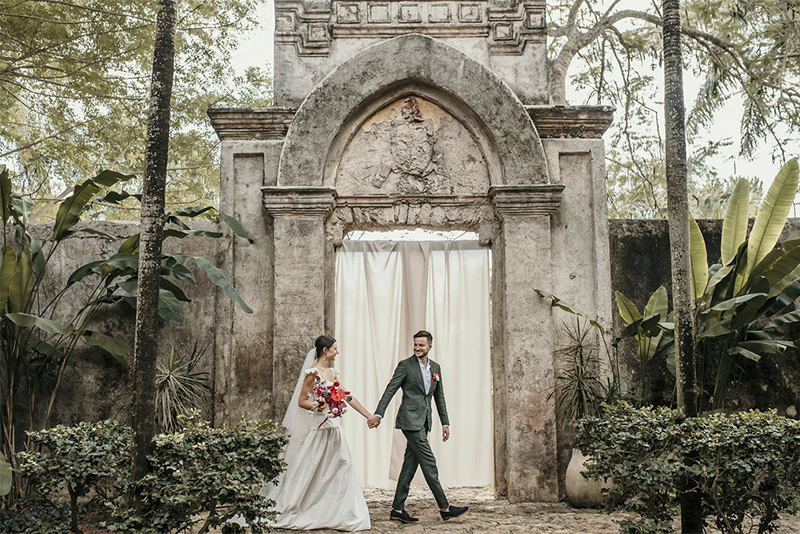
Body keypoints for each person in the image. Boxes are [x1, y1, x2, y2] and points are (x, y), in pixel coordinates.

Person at [263, 335, 373, 531]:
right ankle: (302, 507)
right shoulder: (313, 373)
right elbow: (301, 400)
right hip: (321, 426)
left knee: (343, 465)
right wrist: (319, 406)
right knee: (311, 467)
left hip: (335, 427)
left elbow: (346, 395)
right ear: (325, 350)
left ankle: (340, 511)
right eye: (335, 348)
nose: (337, 352)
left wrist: (368, 415)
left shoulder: (332, 372)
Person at [368, 330, 469, 523]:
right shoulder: (405, 366)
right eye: (415, 344)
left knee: (409, 466)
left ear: (429, 346)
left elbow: (439, 398)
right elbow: (391, 389)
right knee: (429, 462)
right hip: (409, 421)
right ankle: (445, 507)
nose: (417, 348)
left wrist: (445, 423)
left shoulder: (436, 368)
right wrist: (378, 413)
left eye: (421, 345)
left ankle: (397, 509)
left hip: (424, 422)